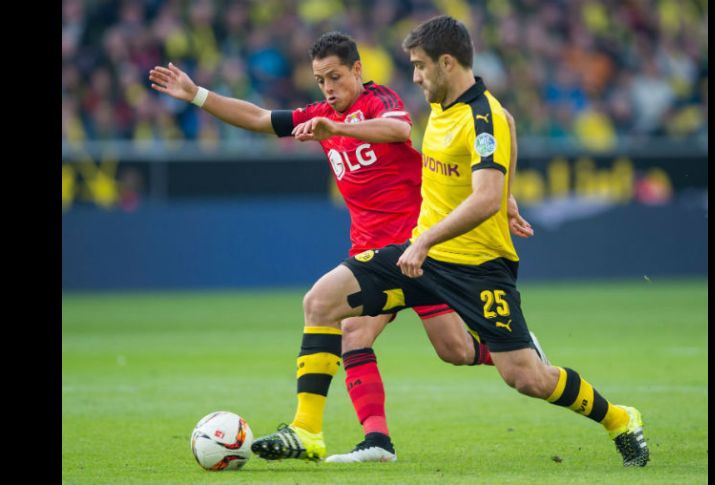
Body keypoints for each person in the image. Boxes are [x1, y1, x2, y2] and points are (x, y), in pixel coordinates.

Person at [250, 16, 649, 468]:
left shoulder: (483, 117)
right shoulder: (443, 106)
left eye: (420, 66)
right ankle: (306, 430)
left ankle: (619, 418)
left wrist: (474, 211)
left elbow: (484, 194)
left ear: (446, 63)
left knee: (526, 377)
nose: (415, 77)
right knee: (321, 303)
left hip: (477, 267)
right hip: (419, 253)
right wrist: (505, 192)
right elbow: (500, 135)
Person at [148, 31, 546, 463]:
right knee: (354, 331)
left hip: (421, 247)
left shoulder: (378, 101)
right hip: (371, 254)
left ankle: (517, 352)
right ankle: (371, 440)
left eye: (335, 77)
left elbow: (399, 128)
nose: (328, 88)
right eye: (320, 80)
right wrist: (197, 95)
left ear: (357, 69)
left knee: (454, 350)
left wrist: (338, 128)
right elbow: (260, 118)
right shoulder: (319, 115)